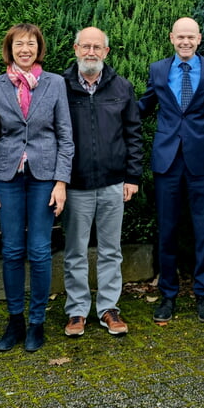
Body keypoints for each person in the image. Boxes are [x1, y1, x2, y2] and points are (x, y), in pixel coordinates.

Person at [0, 24, 74, 352]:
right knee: (11, 251)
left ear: (38, 49)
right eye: (19, 44)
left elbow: (65, 136)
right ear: (10, 48)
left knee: (38, 250)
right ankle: (14, 320)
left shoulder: (55, 84)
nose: (25, 49)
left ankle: (37, 322)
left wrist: (61, 182)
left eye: (31, 44)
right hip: (7, 177)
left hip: (44, 177)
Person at [138, 17, 204, 323]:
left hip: (203, 162)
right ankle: (168, 295)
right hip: (167, 162)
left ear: (199, 39)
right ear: (172, 38)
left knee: (203, 230)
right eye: (180, 37)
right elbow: (145, 106)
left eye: (191, 37)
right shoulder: (158, 69)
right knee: (167, 230)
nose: (185, 42)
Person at [62, 27, 142, 337]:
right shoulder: (61, 87)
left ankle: (109, 308)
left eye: (97, 47)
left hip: (112, 183)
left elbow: (133, 135)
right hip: (76, 185)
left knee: (111, 249)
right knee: (75, 251)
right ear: (76, 49)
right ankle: (77, 311)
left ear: (106, 52)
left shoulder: (122, 87)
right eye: (86, 46)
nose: (91, 52)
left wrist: (132, 177)